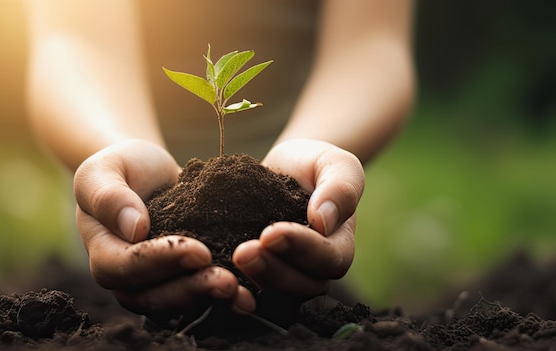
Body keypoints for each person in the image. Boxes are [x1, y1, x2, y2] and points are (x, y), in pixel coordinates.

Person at [25, 0, 416, 317]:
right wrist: (115, 148)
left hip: (300, 212)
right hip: (125, 194)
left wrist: (315, 151)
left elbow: (371, 44)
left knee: (304, 299)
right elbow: (74, 41)